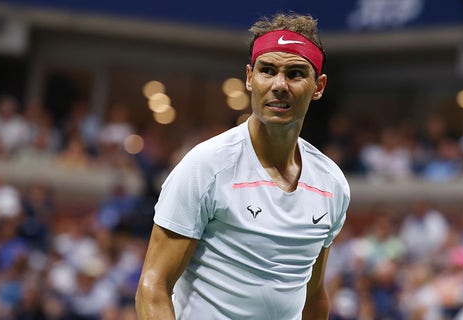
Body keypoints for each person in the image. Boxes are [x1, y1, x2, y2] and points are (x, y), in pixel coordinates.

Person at [136, 12, 351, 320]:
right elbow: (152, 284)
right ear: (250, 77)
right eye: (268, 70)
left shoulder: (332, 184)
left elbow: (313, 295)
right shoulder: (205, 166)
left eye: (295, 73)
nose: (279, 85)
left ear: (318, 86)